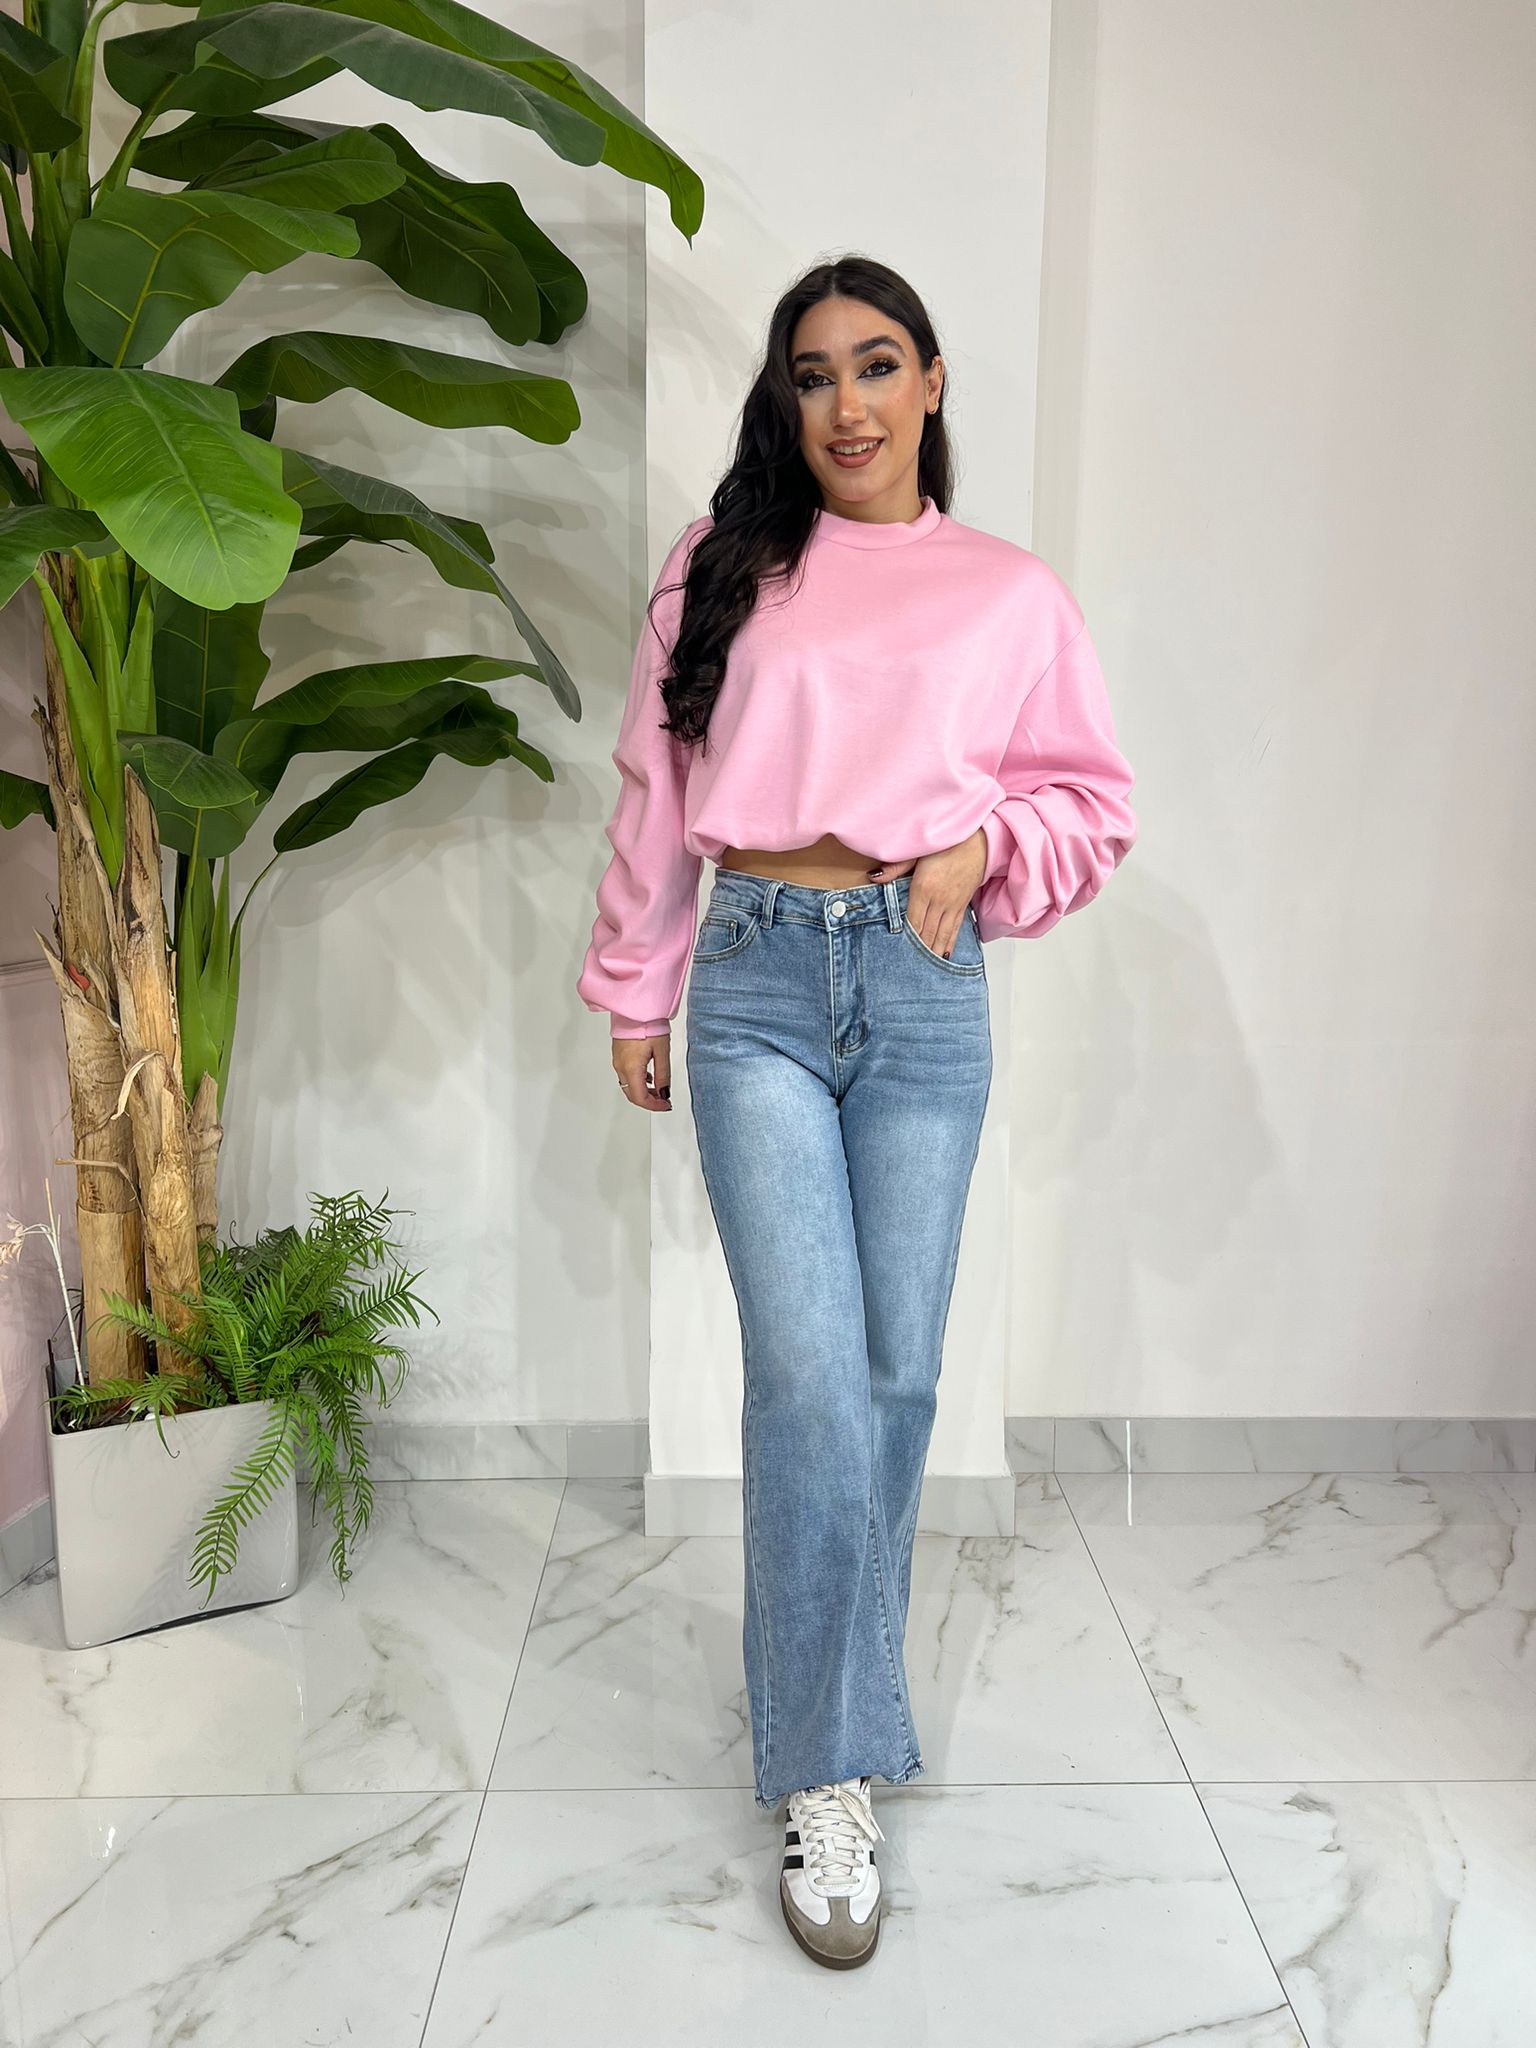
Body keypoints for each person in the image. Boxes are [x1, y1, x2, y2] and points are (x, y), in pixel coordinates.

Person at [576, 255, 1138, 1969]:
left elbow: (1092, 805)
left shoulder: (1008, 595)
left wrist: (985, 848)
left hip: (921, 984)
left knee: (895, 1379)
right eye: (814, 374)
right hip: (751, 982)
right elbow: (657, 786)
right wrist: (638, 984)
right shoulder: (722, 565)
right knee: (811, 1377)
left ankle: (837, 1689)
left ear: (933, 383)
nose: (848, 404)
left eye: (878, 366)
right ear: (787, 398)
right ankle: (827, 1771)